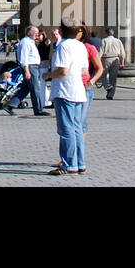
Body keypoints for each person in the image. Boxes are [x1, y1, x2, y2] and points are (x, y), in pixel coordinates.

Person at [47, 20, 88, 175]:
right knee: (77, 127)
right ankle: (80, 163)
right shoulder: (81, 46)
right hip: (78, 91)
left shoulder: (63, 46)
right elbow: (84, 71)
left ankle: (69, 164)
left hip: (64, 91)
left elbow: (63, 71)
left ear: (62, 32)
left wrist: (48, 75)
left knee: (66, 130)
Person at [7, 25, 46, 116]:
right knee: (35, 88)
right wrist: (27, 70)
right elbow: (24, 58)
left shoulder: (30, 42)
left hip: (33, 67)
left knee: (25, 89)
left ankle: (10, 105)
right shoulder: (25, 42)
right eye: (35, 33)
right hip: (30, 67)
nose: (37, 34)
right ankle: (38, 110)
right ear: (29, 33)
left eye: (37, 33)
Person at [98, 28, 126, 100]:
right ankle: (111, 95)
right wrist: (122, 62)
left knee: (103, 75)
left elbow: (100, 52)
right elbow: (122, 53)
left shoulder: (104, 40)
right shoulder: (118, 41)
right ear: (113, 33)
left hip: (106, 59)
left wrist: (98, 61)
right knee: (113, 78)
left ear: (106, 33)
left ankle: (107, 87)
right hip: (116, 59)